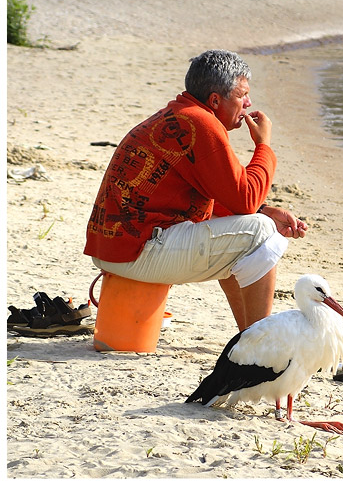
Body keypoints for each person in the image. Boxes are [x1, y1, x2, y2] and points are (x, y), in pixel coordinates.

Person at [84, 49, 307, 332]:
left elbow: (231, 199)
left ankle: (248, 336)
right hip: (137, 252)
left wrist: (265, 210)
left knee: (244, 233)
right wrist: (264, 146)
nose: (249, 103)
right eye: (242, 96)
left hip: (115, 247)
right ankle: (261, 342)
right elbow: (246, 200)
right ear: (215, 100)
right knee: (260, 233)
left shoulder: (180, 115)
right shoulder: (202, 124)